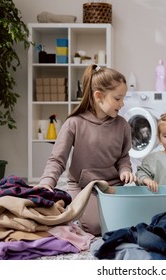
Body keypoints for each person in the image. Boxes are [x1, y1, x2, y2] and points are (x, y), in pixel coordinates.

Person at [34, 64, 136, 236]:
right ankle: (73, 208)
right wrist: (47, 183)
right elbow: (57, 160)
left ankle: (77, 211)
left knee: (134, 220)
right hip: (82, 186)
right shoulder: (74, 123)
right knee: (97, 227)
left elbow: (123, 157)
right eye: (118, 98)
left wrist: (125, 170)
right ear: (99, 96)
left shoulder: (123, 125)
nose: (122, 103)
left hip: (113, 186)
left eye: (123, 98)